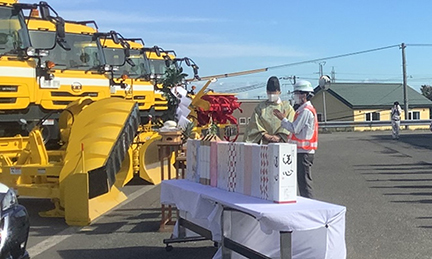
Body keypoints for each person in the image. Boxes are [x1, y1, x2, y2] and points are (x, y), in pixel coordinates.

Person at [273, 80, 318, 198]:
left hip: (304, 152)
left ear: (304, 94)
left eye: (297, 93)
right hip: (302, 151)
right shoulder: (303, 109)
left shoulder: (306, 111)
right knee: (302, 182)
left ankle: (309, 207)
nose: (295, 96)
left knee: (304, 183)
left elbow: (294, 128)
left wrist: (282, 119)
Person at [243, 76, 294, 144]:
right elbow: (254, 123)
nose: (271, 95)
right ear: (266, 92)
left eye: (274, 92)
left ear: (279, 92)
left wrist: (280, 136)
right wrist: (264, 135)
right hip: (265, 143)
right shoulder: (260, 107)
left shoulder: (287, 108)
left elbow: (291, 123)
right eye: (269, 92)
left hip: (282, 143)